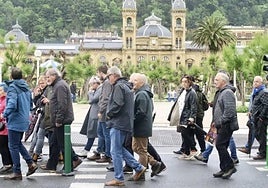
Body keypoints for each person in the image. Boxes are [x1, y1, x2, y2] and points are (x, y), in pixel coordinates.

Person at [105, 66, 146, 186]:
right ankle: (138, 167)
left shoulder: (118, 86)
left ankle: (119, 178)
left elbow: (117, 104)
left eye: (108, 76)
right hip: (124, 123)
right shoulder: (125, 86)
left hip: (118, 122)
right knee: (119, 149)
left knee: (115, 151)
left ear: (114, 75)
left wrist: (108, 114)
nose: (108, 79)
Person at [40, 68, 82, 173]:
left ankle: (71, 163)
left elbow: (62, 104)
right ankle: (52, 164)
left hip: (62, 120)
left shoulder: (60, 86)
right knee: (55, 142)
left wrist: (58, 119)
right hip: (59, 119)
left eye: (48, 76)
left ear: (54, 76)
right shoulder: (56, 85)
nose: (47, 79)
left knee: (63, 143)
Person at [3, 67, 38, 180]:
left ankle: (17, 171)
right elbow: (31, 104)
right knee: (17, 143)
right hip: (24, 119)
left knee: (12, 145)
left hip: (15, 120)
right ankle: (30, 163)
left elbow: (12, 104)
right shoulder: (26, 88)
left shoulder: (13, 87)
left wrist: (4, 114)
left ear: (11, 76)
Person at [131, 73, 164, 179]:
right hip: (141, 126)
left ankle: (140, 173)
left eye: (135, 80)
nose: (132, 82)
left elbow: (141, 113)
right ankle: (154, 163)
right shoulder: (142, 93)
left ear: (141, 82)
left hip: (141, 127)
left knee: (141, 150)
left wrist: (132, 122)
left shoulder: (142, 94)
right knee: (136, 148)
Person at [212, 72, 239, 179]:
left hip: (226, 125)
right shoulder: (221, 92)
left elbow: (229, 112)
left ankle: (229, 166)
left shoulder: (227, 92)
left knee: (220, 145)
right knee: (222, 146)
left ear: (223, 81)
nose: (214, 82)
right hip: (221, 124)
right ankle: (224, 168)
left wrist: (220, 121)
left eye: (216, 80)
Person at [168, 75, 198, 158]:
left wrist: (192, 117)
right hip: (181, 115)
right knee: (184, 133)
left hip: (186, 116)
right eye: (182, 81)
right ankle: (186, 152)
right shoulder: (183, 91)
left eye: (186, 82)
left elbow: (193, 106)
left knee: (186, 133)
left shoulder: (192, 92)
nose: (184, 83)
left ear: (190, 83)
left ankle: (193, 149)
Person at [88, 65, 112, 163]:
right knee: (101, 133)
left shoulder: (106, 83)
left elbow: (105, 98)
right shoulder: (106, 83)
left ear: (101, 72)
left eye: (98, 73)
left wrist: (101, 111)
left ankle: (107, 154)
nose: (98, 75)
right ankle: (100, 151)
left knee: (105, 134)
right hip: (104, 112)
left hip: (104, 113)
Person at [78, 76, 102, 157]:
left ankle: (88, 149)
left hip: (96, 114)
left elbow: (92, 100)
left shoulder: (99, 90)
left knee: (92, 133)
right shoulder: (98, 90)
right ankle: (95, 150)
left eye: (91, 84)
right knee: (94, 133)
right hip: (94, 113)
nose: (91, 86)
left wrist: (90, 92)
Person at [29, 75, 47, 161]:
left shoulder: (47, 90)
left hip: (46, 116)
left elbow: (41, 103)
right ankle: (33, 152)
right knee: (38, 134)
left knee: (40, 135)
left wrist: (39, 97)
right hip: (41, 116)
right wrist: (36, 96)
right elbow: (37, 103)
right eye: (40, 83)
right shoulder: (42, 91)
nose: (41, 85)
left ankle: (35, 153)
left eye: (43, 83)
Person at [249, 76, 268, 160]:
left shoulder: (263, 92)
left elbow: (266, 105)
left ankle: (262, 152)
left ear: (261, 83)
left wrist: (261, 116)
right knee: (257, 133)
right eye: (254, 81)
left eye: (257, 82)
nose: (255, 83)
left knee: (261, 134)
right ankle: (263, 150)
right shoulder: (256, 92)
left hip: (261, 117)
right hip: (256, 116)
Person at [0, 83, 13, 174]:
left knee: (3, 146)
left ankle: (7, 163)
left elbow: (6, 112)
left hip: (5, 126)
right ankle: (9, 163)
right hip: (2, 126)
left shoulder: (7, 100)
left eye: (1, 90)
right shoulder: (1, 99)